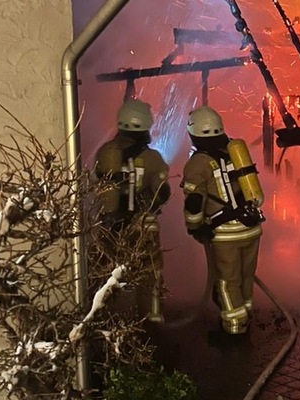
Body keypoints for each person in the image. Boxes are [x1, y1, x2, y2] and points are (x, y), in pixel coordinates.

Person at [182, 106, 265, 335]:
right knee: (245, 277)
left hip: (226, 234)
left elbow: (194, 202)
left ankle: (235, 329)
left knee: (227, 282)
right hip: (251, 227)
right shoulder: (234, 151)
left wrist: (195, 226)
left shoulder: (197, 163)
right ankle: (246, 316)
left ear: (194, 133)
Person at [94, 98, 170, 322]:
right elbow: (162, 193)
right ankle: (151, 321)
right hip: (143, 226)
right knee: (150, 273)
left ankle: (101, 320)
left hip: (109, 225)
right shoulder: (153, 158)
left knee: (105, 273)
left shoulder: (105, 152)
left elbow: (99, 183)